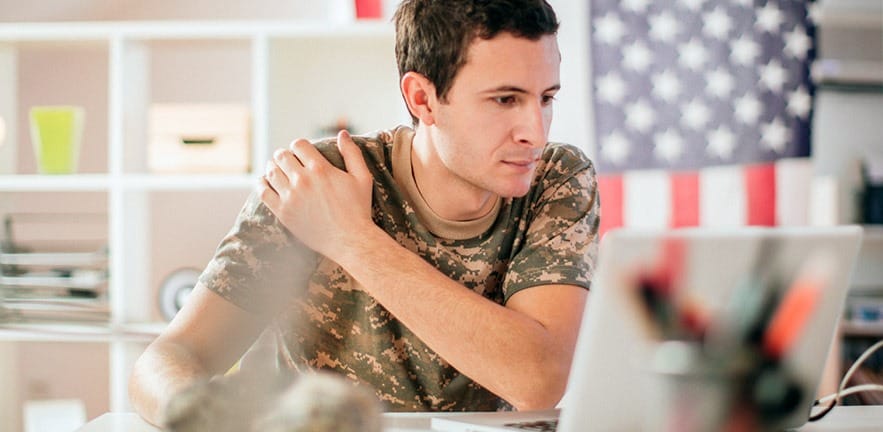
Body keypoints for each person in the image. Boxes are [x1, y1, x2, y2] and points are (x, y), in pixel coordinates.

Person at [129, 0, 600, 426]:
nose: (535, 133)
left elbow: (537, 378)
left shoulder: (556, 178)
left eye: (546, 98)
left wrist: (351, 239)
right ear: (422, 98)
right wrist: (204, 418)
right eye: (505, 100)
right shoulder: (317, 183)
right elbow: (169, 357)